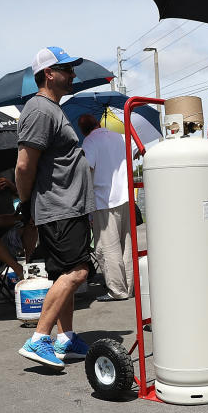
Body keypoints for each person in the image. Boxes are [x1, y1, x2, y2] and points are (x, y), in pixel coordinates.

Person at [15, 47, 96, 370]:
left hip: (66, 206)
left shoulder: (51, 109)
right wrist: (26, 206)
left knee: (65, 274)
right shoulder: (39, 110)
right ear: (49, 73)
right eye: (67, 69)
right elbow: (24, 166)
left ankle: (66, 337)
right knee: (78, 272)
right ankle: (39, 337)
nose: (73, 74)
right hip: (59, 206)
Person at [76, 114, 133, 302]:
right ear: (99, 123)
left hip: (104, 200)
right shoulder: (120, 137)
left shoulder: (90, 142)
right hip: (126, 197)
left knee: (108, 248)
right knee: (127, 246)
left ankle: (117, 290)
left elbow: (87, 169)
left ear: (83, 131)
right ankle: (130, 286)